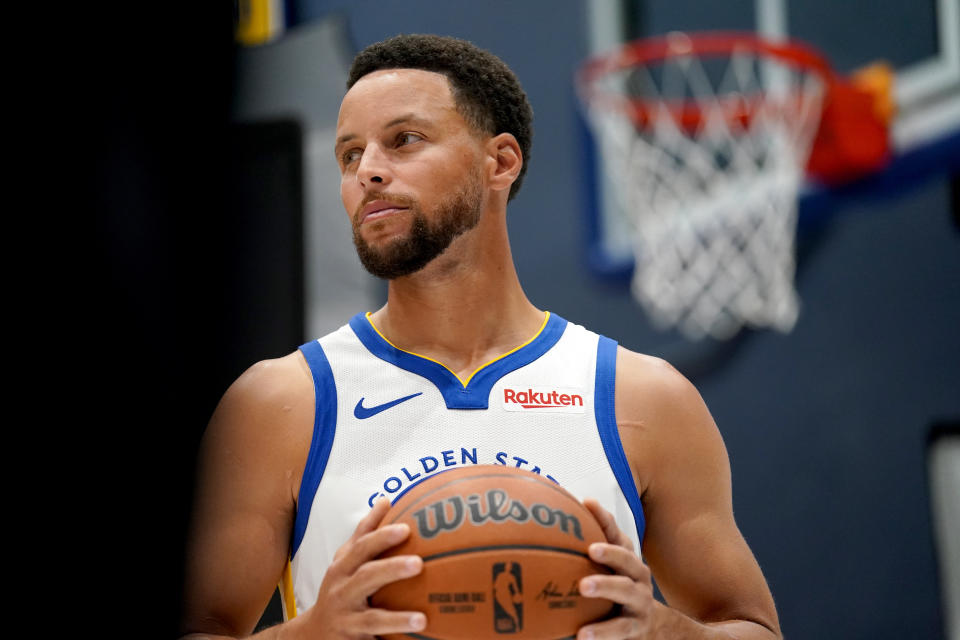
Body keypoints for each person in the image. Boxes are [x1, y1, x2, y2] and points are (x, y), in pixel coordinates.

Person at [180, 34, 782, 640]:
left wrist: (665, 631)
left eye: (403, 140)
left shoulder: (643, 398)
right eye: (349, 155)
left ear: (500, 162)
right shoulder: (280, 404)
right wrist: (312, 634)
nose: (368, 171)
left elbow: (753, 628)